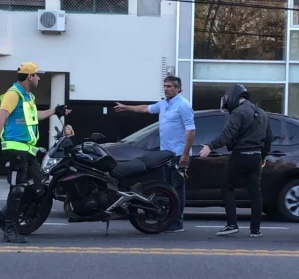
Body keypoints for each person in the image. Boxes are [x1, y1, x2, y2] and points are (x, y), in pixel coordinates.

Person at [0, 62, 71, 243]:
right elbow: (1, 117)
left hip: (28, 151)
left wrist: (55, 111)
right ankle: (10, 229)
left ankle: (2, 216)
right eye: (37, 75)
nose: (39, 78)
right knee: (17, 189)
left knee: (38, 188)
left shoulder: (28, 96)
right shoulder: (13, 94)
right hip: (15, 149)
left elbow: (35, 116)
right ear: (30, 76)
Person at [114, 75, 195, 232]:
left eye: (169, 86)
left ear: (178, 89)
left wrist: (185, 154)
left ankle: (177, 222)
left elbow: (191, 131)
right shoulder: (164, 104)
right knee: (168, 189)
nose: (166, 89)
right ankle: (168, 220)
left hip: (179, 154)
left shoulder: (183, 105)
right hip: (166, 154)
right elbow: (146, 108)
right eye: (165, 86)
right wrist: (127, 107)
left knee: (178, 189)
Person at [199, 84, 272, 238]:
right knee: (255, 193)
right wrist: (263, 156)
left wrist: (210, 147)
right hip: (256, 156)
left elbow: (227, 135)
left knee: (227, 187)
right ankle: (255, 230)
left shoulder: (239, 112)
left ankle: (232, 224)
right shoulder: (263, 113)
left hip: (240, 156)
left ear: (233, 97)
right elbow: (269, 139)